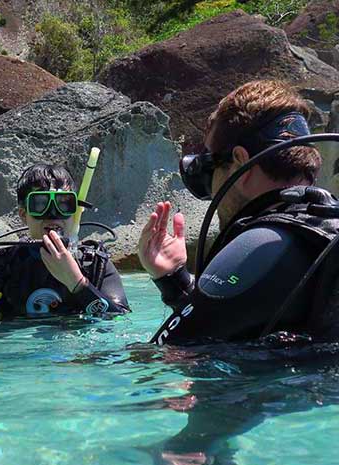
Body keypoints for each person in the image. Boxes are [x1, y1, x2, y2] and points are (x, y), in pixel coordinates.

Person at [138, 80, 339, 345]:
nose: (211, 187)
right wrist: (175, 280)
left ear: (240, 161)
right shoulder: (319, 233)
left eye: (211, 165)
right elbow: (236, 320)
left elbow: (163, 356)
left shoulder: (260, 245)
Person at [0, 164, 129, 320]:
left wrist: (77, 283)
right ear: (23, 214)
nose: (53, 216)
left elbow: (119, 319)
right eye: (40, 205)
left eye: (63, 205)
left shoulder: (95, 264)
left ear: (76, 212)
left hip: (75, 363)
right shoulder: (4, 264)